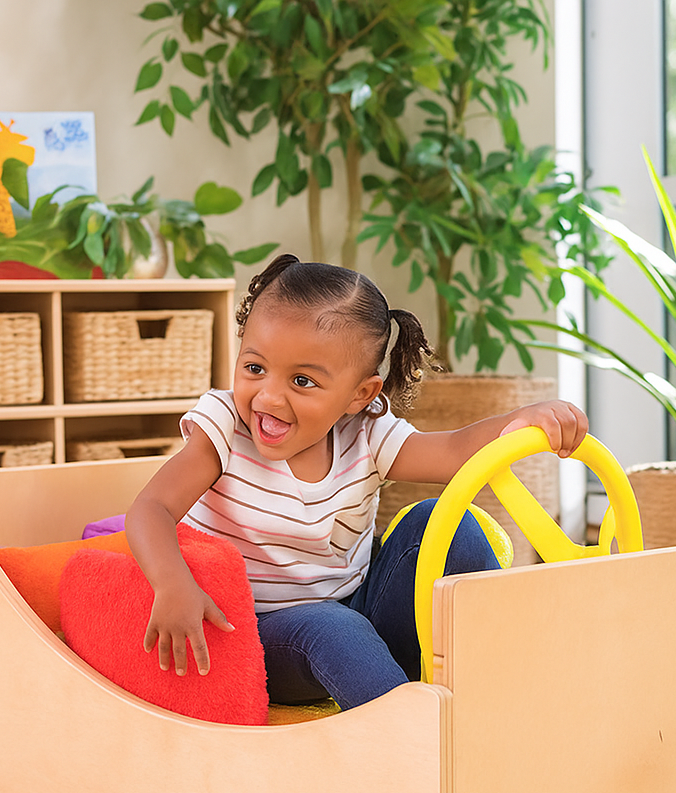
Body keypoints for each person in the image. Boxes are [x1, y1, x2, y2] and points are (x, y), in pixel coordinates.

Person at [125, 254, 588, 710]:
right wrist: (173, 585)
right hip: (263, 637)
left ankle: (494, 681)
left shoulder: (366, 432)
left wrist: (520, 421)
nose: (268, 396)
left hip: (362, 610)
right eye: (254, 368)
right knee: (334, 628)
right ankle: (413, 735)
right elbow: (151, 510)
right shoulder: (225, 429)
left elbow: (452, 452)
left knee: (447, 523)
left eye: (302, 381)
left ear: (360, 394)